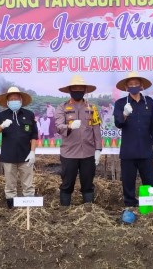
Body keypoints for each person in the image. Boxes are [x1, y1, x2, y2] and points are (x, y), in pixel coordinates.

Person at [113, 72, 153, 207]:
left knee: (151, 180)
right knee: (128, 182)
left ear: (141, 86)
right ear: (126, 87)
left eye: (136, 84)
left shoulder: (148, 102)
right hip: (128, 150)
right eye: (131, 85)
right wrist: (124, 114)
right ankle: (130, 205)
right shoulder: (121, 103)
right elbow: (118, 123)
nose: (134, 86)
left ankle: (152, 205)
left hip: (146, 150)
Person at [55, 75, 102, 206]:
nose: (77, 90)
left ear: (84, 90)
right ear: (70, 90)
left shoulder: (92, 108)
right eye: (74, 88)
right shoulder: (62, 108)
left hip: (88, 152)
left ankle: (89, 212)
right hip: (69, 153)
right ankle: (64, 211)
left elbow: (96, 129)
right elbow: (58, 127)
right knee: (67, 183)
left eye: (80, 88)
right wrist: (69, 126)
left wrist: (98, 149)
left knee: (88, 183)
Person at [0, 87, 38, 209]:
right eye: (11, 99)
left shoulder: (29, 114)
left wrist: (32, 152)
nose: (14, 101)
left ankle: (29, 205)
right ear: (7, 102)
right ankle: (11, 205)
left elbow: (34, 135)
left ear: (21, 100)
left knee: (28, 182)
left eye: (16, 98)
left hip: (26, 155)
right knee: (10, 183)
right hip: (8, 156)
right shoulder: (2, 115)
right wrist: (2, 126)